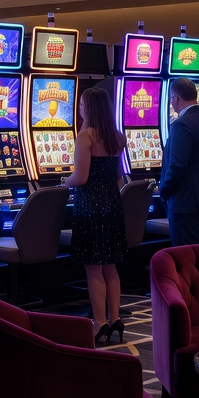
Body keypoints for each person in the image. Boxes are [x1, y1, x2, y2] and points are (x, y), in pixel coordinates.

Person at [63, 87, 128, 344]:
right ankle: (115, 319)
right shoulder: (118, 137)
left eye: (81, 105)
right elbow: (117, 177)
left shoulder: (85, 136)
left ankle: (99, 322)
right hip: (112, 204)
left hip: (90, 206)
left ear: (89, 108)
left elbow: (81, 177)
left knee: (94, 270)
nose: (79, 109)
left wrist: (62, 182)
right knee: (110, 267)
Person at [158, 77, 199, 247]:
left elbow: (178, 165)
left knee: (185, 254)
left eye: (171, 98)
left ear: (175, 98)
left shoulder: (182, 124)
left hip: (184, 200)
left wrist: (163, 189)